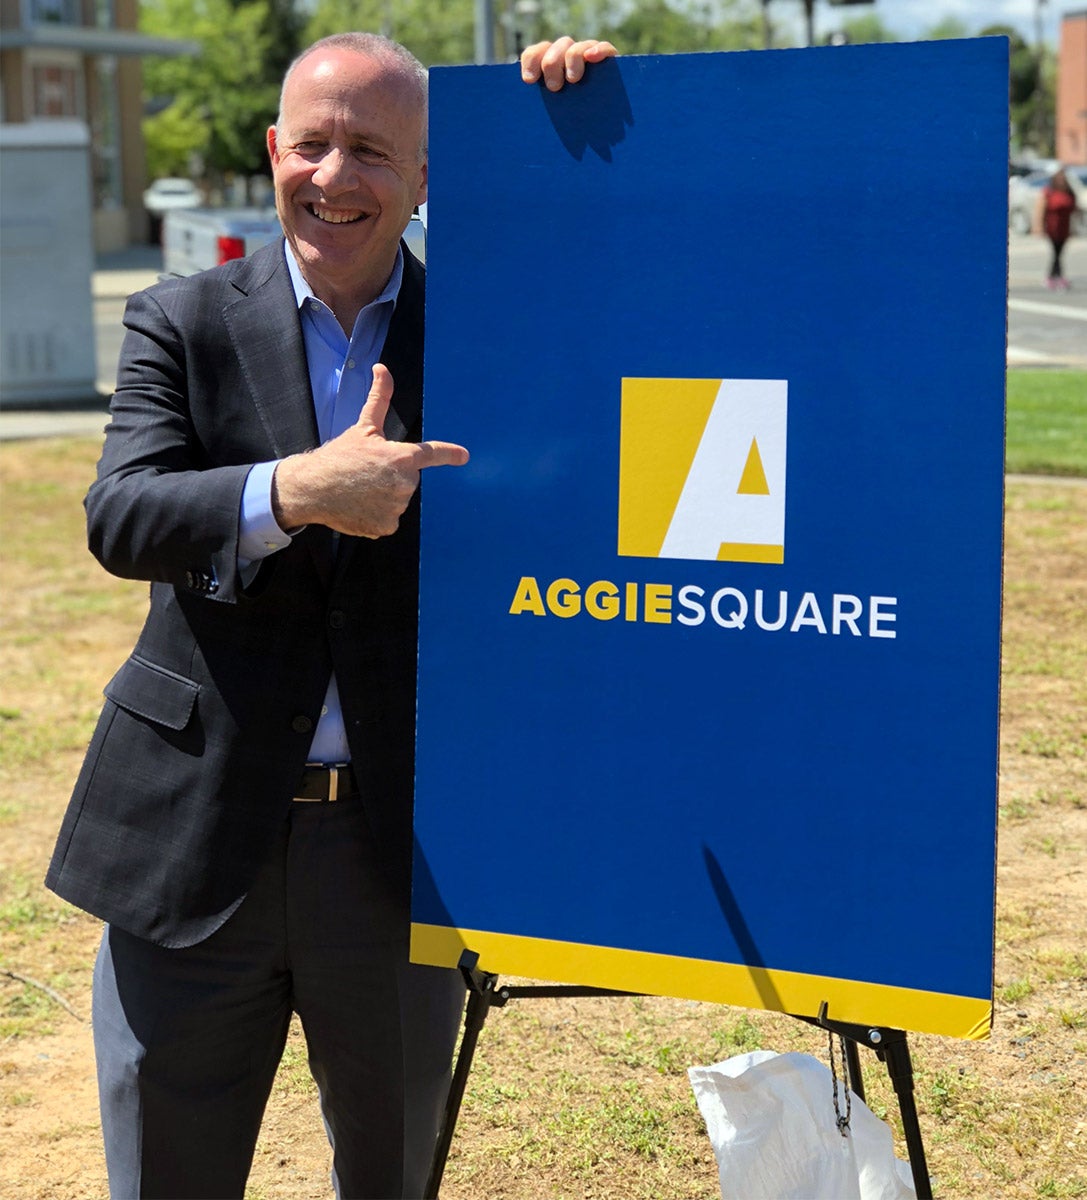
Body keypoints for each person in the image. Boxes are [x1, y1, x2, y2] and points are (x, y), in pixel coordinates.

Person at [45, 31, 616, 1200]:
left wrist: (572, 113)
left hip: (397, 854)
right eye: (312, 144)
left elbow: (629, 302)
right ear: (272, 153)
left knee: (392, 1173)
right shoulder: (182, 319)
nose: (335, 176)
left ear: (424, 175)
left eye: (372, 149)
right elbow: (123, 516)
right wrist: (295, 491)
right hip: (197, 844)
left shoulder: (497, 338)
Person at [1033, 166, 1079, 290]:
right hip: (1052, 227)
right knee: (1056, 253)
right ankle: (1055, 276)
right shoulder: (1049, 192)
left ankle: (1056, 276)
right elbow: (1040, 210)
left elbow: (1074, 212)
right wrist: (1038, 226)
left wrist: (1073, 228)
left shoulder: (1069, 193)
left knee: (1059, 253)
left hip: (1064, 228)